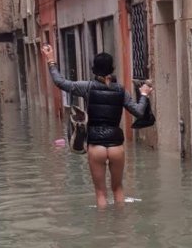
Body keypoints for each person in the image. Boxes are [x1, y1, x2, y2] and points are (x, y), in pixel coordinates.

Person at [42, 45, 152, 208]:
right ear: (112, 69)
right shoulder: (121, 91)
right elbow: (138, 112)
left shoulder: (87, 87)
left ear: (94, 70)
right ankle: (121, 230)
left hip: (96, 147)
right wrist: (144, 95)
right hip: (116, 147)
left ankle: (102, 229)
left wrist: (51, 60)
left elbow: (60, 82)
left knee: (101, 193)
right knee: (118, 189)